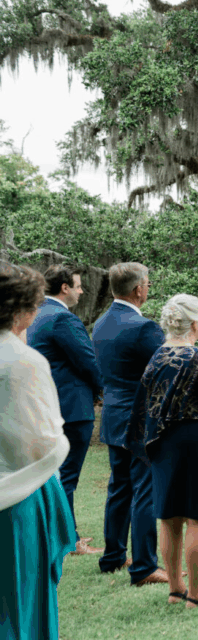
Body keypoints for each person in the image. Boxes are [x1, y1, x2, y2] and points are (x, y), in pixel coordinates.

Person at [125, 294, 198, 609]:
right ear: (196, 324)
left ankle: (175, 591)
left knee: (169, 517)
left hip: (163, 442)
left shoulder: (156, 357)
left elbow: (144, 405)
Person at [1, 263, 77, 639]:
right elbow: (44, 441)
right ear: (18, 311)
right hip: (17, 499)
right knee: (21, 603)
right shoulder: (21, 361)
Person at [93, 263, 169, 585]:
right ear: (138, 289)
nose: (149, 288)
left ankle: (112, 557)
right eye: (147, 284)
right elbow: (169, 370)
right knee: (144, 490)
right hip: (140, 420)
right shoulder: (144, 328)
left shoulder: (100, 324)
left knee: (119, 487)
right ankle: (144, 567)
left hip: (112, 415)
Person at [26, 264, 104, 556]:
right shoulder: (62, 319)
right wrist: (100, 390)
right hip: (71, 409)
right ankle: (69, 540)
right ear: (65, 288)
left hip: (46, 405)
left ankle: (55, 535)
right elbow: (88, 362)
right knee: (66, 476)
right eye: (79, 286)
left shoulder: (36, 315)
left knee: (54, 474)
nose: (83, 291)